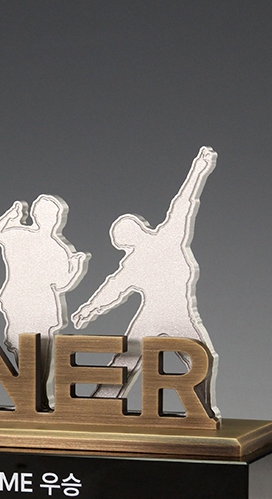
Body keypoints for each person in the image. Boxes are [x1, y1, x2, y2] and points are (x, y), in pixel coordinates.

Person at [70, 147, 220, 417]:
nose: (127, 251)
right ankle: (100, 407)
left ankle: (202, 413)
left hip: (176, 314)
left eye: (125, 245)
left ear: (136, 232)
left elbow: (184, 203)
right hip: (155, 315)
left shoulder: (168, 237)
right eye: (124, 248)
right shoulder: (136, 261)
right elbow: (113, 287)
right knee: (137, 358)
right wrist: (90, 309)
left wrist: (199, 168)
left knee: (201, 361)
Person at [0, 194, 89, 404]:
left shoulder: (21, 235)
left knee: (31, 347)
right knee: (35, 349)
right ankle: (33, 395)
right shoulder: (53, 246)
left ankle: (33, 396)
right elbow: (62, 283)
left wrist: (11, 215)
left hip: (26, 300)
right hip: (31, 301)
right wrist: (76, 266)